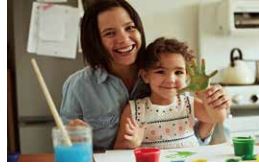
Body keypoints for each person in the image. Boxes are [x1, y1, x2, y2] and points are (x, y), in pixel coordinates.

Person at [60, 0, 230, 151]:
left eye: (130, 28)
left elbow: (200, 134)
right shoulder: (79, 86)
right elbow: (67, 146)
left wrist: (213, 100)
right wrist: (74, 138)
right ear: (96, 41)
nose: (124, 39)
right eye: (110, 33)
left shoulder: (165, 70)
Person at [114, 37, 229, 149]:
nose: (170, 79)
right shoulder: (134, 110)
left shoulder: (188, 104)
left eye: (178, 72)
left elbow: (218, 118)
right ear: (145, 76)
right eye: (160, 71)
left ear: (187, 76)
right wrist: (133, 144)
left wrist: (206, 93)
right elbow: (117, 151)